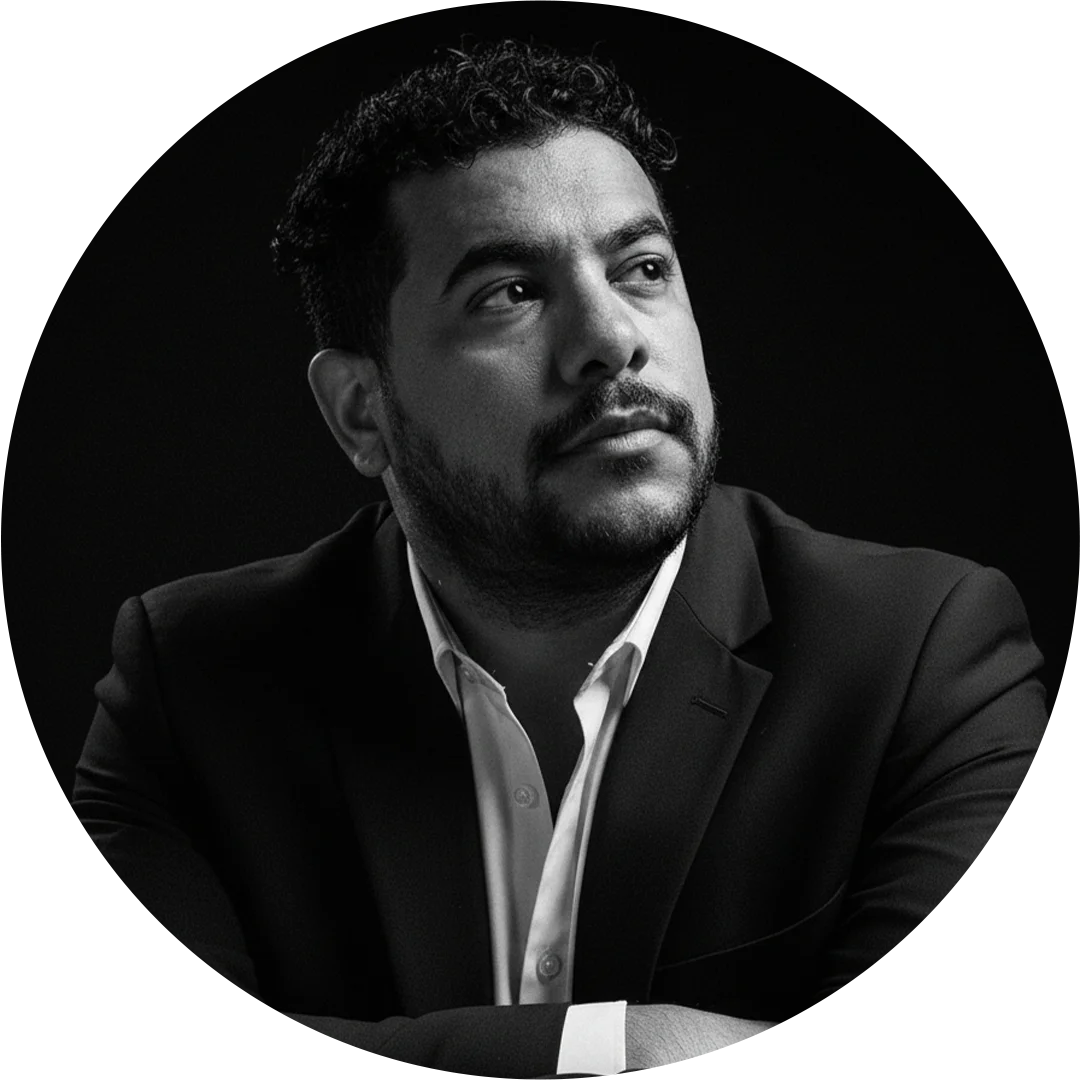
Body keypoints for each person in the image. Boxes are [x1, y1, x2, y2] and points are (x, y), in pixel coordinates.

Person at [71, 39, 1049, 1078]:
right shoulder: (192, 678)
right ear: (361, 410)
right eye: (509, 293)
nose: (611, 340)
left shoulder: (921, 653)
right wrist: (627, 1046)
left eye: (642, 270)